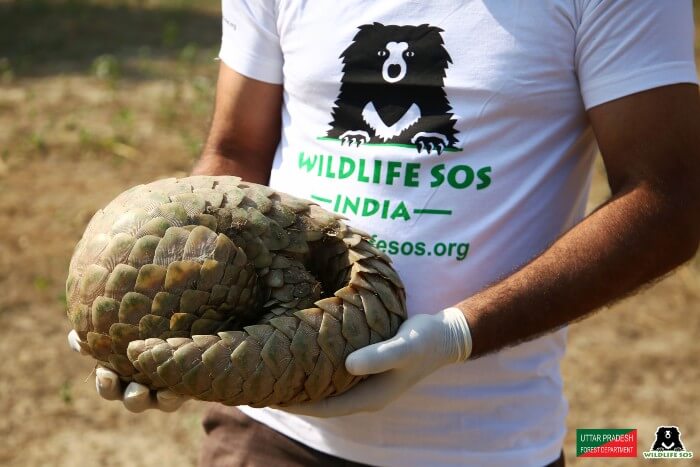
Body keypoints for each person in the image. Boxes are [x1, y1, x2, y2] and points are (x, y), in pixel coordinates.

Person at [69, 1, 700, 465]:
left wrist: (461, 333)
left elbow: (670, 197)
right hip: (267, 430)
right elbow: (236, 153)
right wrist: (165, 304)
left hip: (482, 445)